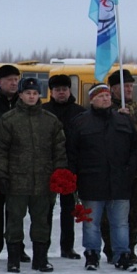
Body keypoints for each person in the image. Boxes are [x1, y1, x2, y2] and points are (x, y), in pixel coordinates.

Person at [0, 77, 67, 273]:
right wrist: (1, 175)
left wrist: (59, 174)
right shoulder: (8, 120)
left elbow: (59, 150)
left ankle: (40, 259)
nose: (32, 97)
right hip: (16, 181)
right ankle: (13, 259)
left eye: (35, 93)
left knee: (41, 222)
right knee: (14, 221)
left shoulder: (50, 121)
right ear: (20, 95)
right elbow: (0, 151)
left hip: (43, 181)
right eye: (28, 93)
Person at [67, 84, 137, 272]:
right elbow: (72, 152)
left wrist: (130, 170)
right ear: (92, 100)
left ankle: (122, 255)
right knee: (91, 223)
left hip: (120, 181)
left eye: (107, 95)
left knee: (120, 223)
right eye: (100, 96)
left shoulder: (123, 120)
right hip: (91, 181)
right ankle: (92, 255)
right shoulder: (81, 122)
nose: (106, 99)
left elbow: (136, 147)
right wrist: (74, 176)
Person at [101, 68, 137, 264]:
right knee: (111, 214)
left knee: (134, 212)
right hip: (113, 172)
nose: (129, 89)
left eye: (130, 86)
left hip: (135, 171)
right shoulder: (106, 110)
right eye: (124, 86)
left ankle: (130, 247)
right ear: (113, 89)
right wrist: (116, 117)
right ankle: (111, 247)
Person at [0, 65, 30, 264]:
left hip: (19, 167)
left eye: (16, 79)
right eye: (9, 79)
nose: (13, 83)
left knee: (16, 211)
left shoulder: (25, 102)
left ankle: (17, 247)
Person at [42, 74, 86, 259]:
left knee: (69, 209)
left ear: (70, 91)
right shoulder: (43, 111)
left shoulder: (80, 112)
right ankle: (42, 246)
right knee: (45, 209)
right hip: (47, 167)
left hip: (71, 166)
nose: (61, 93)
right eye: (57, 90)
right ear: (51, 92)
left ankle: (67, 247)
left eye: (64, 89)